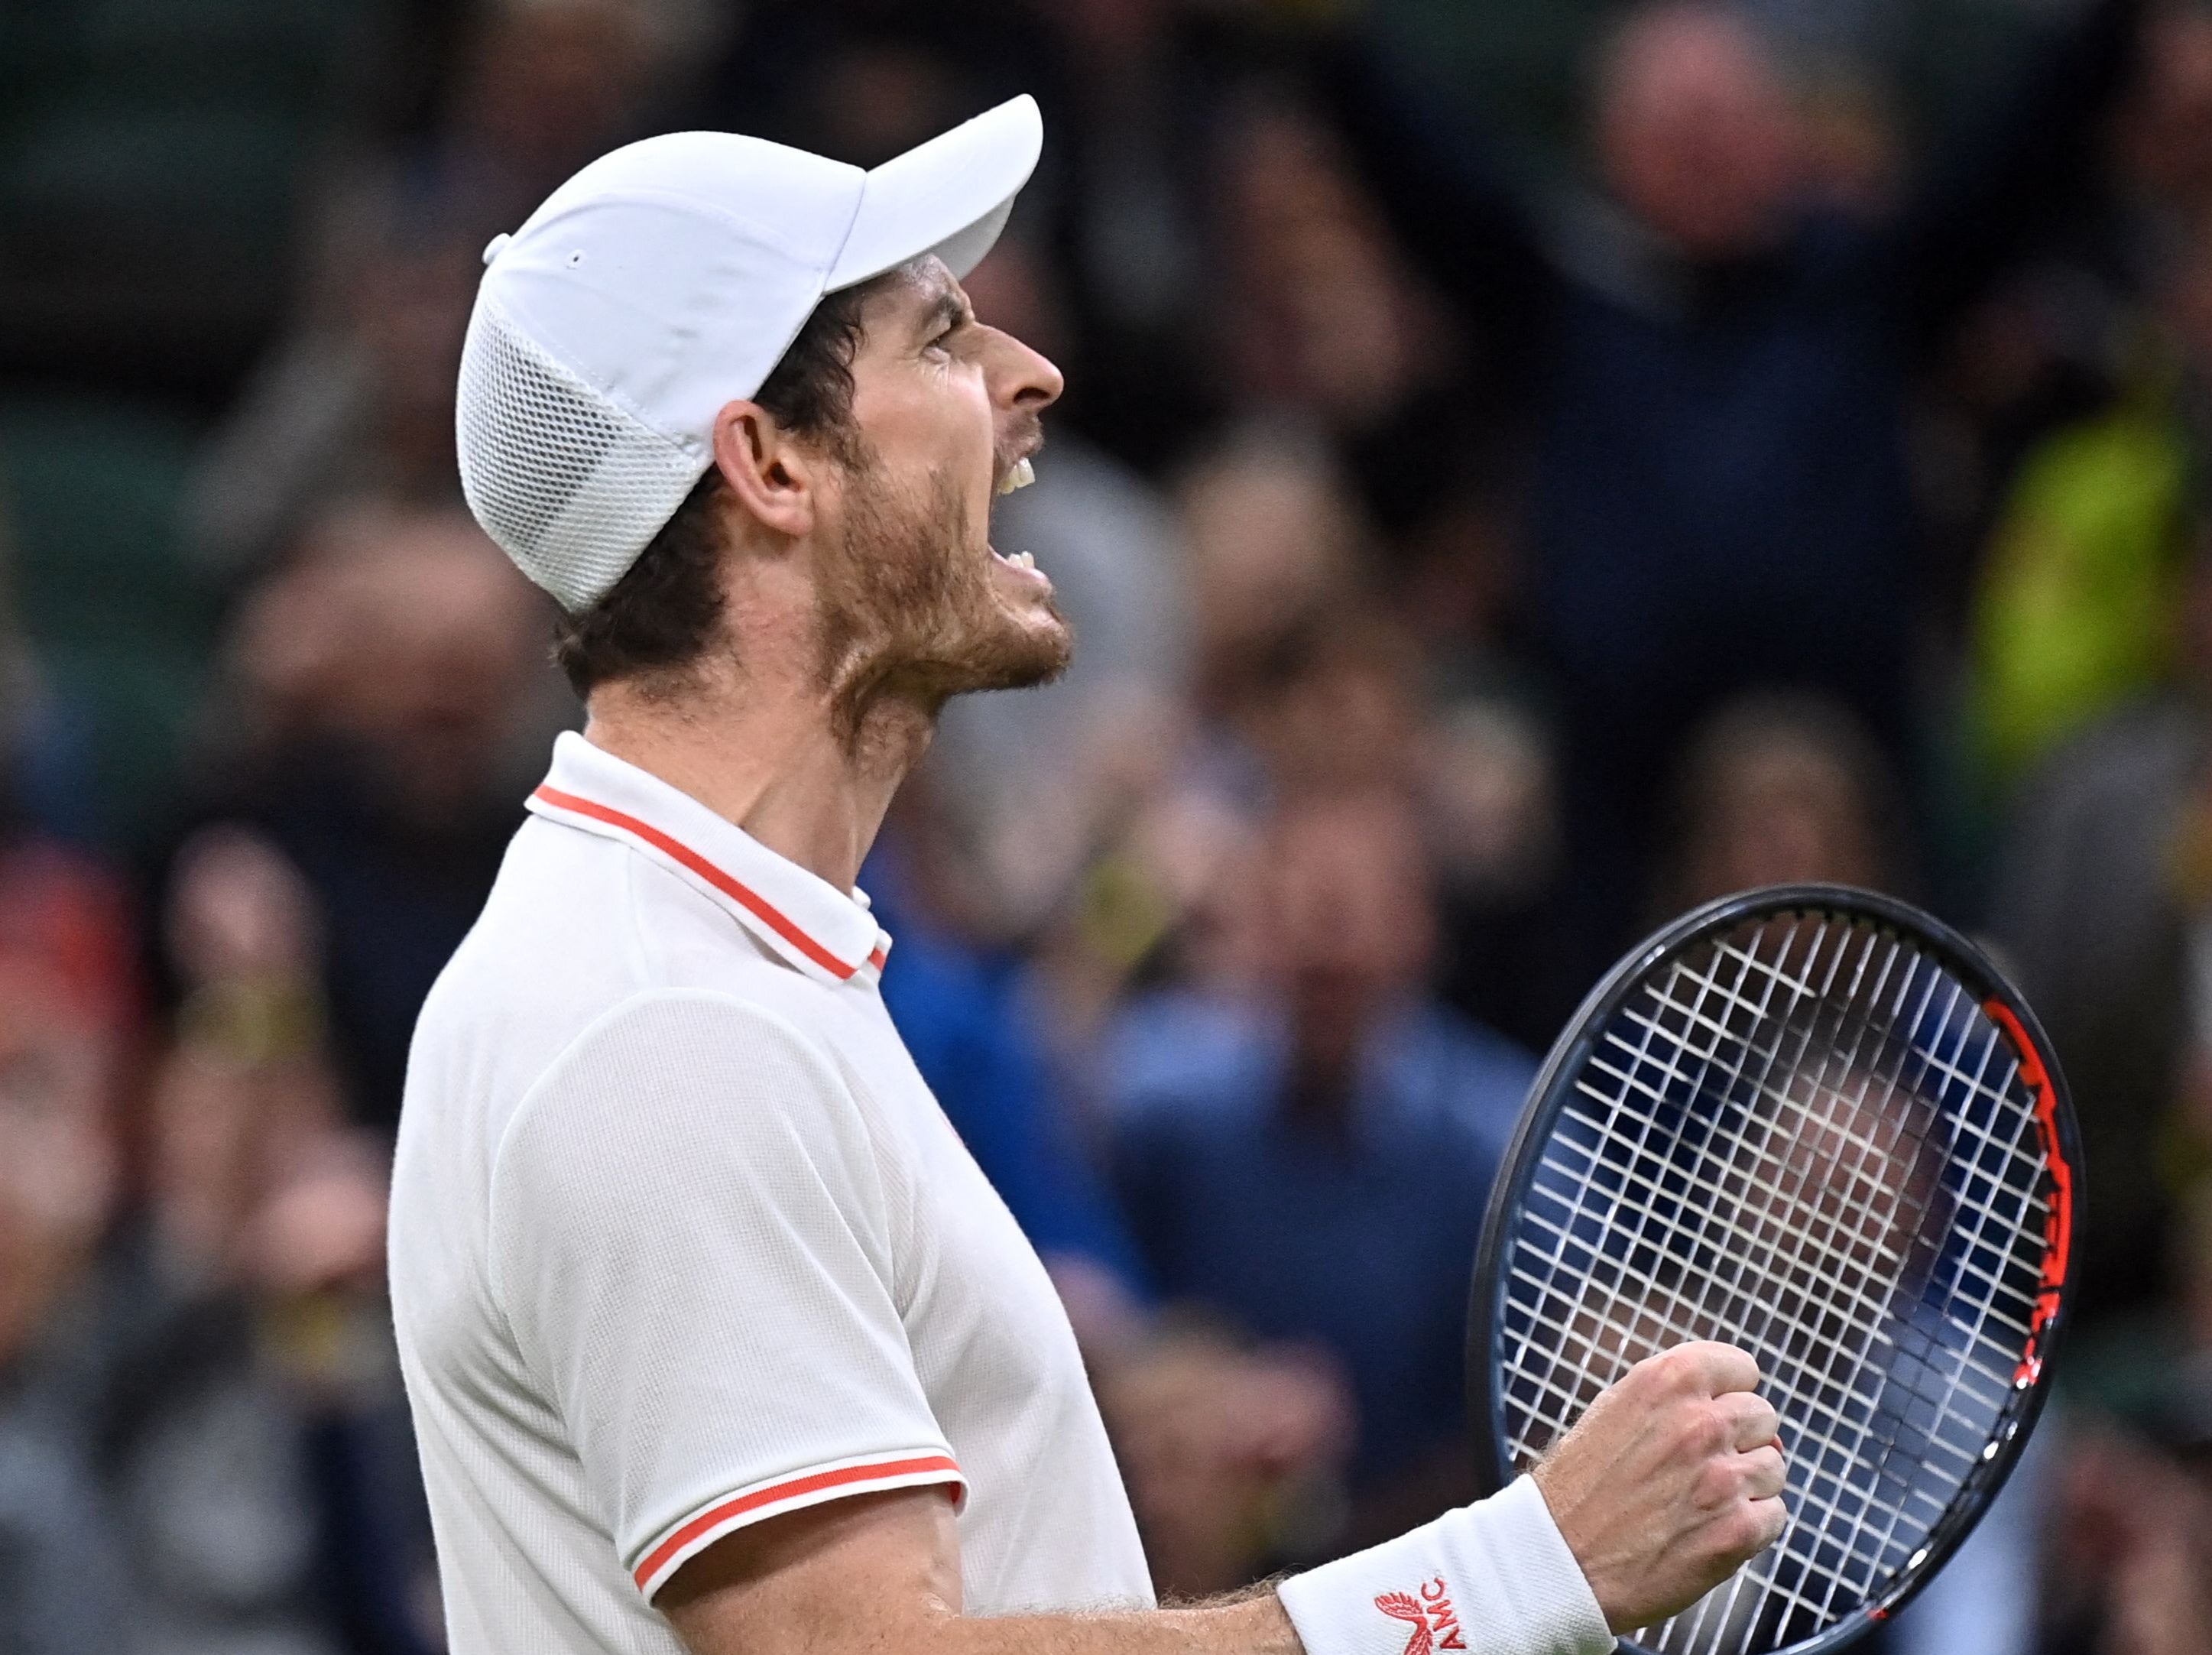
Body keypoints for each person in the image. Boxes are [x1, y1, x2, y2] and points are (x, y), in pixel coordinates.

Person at [389, 101, 1789, 1655]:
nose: (1025, 377)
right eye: (939, 340)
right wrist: (1510, 1578)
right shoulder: (662, 1026)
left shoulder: (699, 972)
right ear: (771, 463)